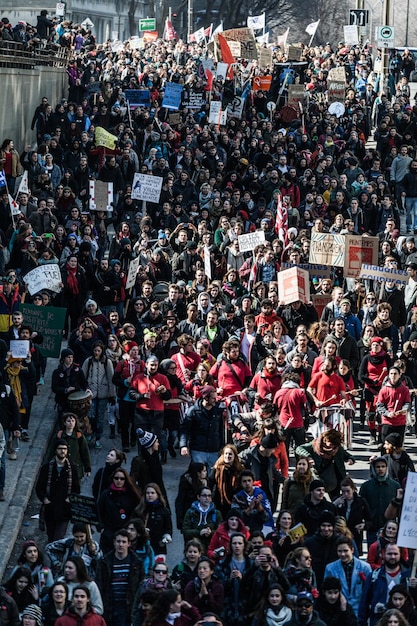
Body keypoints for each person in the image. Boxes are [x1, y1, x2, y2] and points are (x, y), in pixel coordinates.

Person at [96, 529, 144, 626]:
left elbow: (141, 584)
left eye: (124, 542)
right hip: (109, 605)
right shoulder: (104, 562)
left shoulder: (137, 563)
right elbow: (99, 584)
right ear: (114, 542)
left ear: (129, 543)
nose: (120, 544)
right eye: (118, 541)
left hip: (128, 606)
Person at [35, 439, 81, 542]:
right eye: (60, 449)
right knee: (51, 537)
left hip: (64, 510)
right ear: (55, 450)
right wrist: (45, 500)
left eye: (65, 449)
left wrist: (70, 499)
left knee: (59, 538)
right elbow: (39, 487)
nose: (62, 451)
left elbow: (76, 488)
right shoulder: (46, 468)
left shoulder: (72, 469)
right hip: (50, 510)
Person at [358, 544, 411, 626]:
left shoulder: (409, 576)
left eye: (395, 554)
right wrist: (362, 623)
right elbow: (364, 602)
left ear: (400, 555)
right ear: (383, 554)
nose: (392, 557)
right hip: (379, 620)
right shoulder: (374, 576)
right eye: (389, 554)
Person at [295, 430, 355, 498]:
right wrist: (308, 457)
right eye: (330, 444)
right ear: (325, 440)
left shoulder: (337, 448)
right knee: (316, 498)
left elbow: (347, 455)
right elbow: (299, 448)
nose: (332, 447)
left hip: (334, 479)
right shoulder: (314, 445)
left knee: (336, 499)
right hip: (318, 476)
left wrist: (350, 459)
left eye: (334, 445)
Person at [97, 467, 142, 554]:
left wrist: (131, 528)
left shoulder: (130, 494)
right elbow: (99, 510)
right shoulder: (106, 494)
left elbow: (136, 512)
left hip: (125, 532)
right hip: (108, 532)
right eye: (116, 478)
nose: (119, 481)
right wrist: (101, 527)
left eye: (122, 479)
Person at [324, 537, 371, 616]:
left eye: (345, 551)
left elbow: (369, 590)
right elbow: (326, 590)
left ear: (352, 550)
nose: (342, 554)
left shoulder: (365, 567)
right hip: (338, 611)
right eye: (339, 551)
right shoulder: (330, 568)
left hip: (360, 610)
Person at [359, 457, 401, 546]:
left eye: (383, 466)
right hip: (372, 527)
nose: (380, 469)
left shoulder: (395, 485)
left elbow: (399, 507)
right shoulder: (366, 486)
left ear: (387, 468)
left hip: (390, 528)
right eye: (378, 467)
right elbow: (361, 506)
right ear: (374, 469)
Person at [82, 340, 116, 448]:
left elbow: (111, 378)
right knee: (91, 415)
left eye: (99, 351)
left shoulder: (107, 362)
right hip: (91, 393)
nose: (97, 353)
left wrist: (112, 394)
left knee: (100, 418)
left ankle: (98, 437)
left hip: (103, 393)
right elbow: (83, 377)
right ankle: (90, 434)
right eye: (95, 350)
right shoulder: (88, 361)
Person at [180, 386, 224, 467]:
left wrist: (222, 446)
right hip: (198, 449)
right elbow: (185, 429)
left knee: (212, 476)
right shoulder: (193, 411)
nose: (215, 400)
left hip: (214, 449)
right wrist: (183, 445)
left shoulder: (218, 411)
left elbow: (221, 430)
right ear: (206, 398)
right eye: (213, 398)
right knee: (199, 475)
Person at [332, 476, 372, 556]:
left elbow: (370, 519)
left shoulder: (361, 502)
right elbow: (329, 515)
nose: (345, 494)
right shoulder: (338, 500)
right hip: (339, 534)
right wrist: (335, 504)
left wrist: (364, 525)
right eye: (343, 492)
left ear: (353, 490)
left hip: (355, 535)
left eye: (348, 491)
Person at [48, 413, 91, 480]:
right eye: (68, 421)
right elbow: (52, 450)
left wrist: (87, 468)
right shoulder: (59, 435)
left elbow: (85, 452)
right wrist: (48, 464)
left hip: (76, 468)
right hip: (61, 467)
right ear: (65, 423)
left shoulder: (79, 436)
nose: (71, 423)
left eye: (73, 421)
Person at [231, 469, 274, 534]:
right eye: (244, 481)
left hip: (260, 529)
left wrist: (259, 507)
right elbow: (235, 517)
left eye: (249, 480)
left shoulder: (261, 494)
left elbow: (267, 517)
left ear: (253, 481)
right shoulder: (237, 497)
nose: (247, 483)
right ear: (241, 483)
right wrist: (249, 508)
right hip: (243, 529)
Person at [182, 486, 223, 552]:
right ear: (198, 497)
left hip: (211, 549)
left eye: (209, 496)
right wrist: (199, 532)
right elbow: (185, 531)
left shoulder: (216, 513)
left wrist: (211, 533)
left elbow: (221, 532)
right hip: (194, 550)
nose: (207, 498)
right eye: (204, 495)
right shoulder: (190, 512)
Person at [136, 483, 172, 555]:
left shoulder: (164, 511)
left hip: (159, 548)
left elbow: (168, 528)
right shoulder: (139, 510)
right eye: (148, 493)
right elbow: (133, 526)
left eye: (152, 493)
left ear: (157, 495)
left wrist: (166, 537)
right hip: (142, 547)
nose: (150, 495)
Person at [209, 445, 245, 518]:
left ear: (234, 456)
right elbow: (210, 484)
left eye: (230, 454)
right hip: (219, 501)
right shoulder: (217, 469)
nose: (227, 456)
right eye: (226, 454)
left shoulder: (240, 470)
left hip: (235, 502)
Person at [175, 463, 208, 532]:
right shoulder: (186, 483)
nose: (206, 473)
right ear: (198, 473)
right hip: (190, 518)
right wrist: (181, 521)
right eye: (204, 471)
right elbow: (180, 501)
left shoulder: (206, 482)